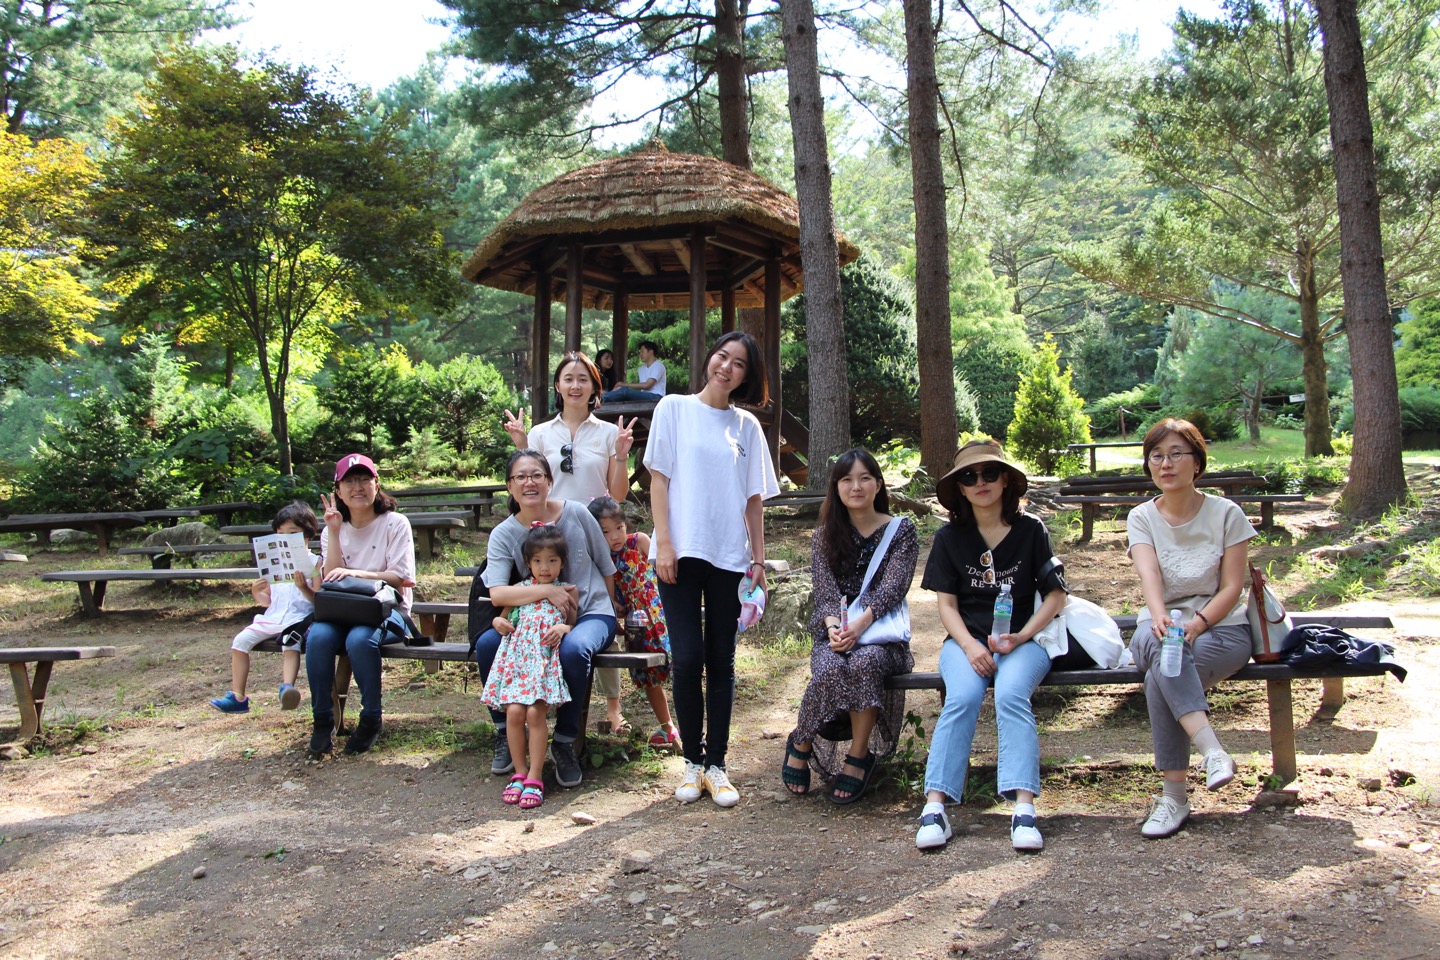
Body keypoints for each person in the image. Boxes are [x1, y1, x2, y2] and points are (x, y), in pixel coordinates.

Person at [645, 330, 778, 807]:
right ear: (710, 358)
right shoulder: (673, 409)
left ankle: (717, 765)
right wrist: (664, 543)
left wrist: (758, 560)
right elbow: (659, 480)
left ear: (747, 376)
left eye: (739, 363)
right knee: (686, 658)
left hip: (730, 559)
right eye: (723, 356)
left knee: (722, 660)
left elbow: (754, 500)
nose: (727, 367)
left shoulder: (747, 427)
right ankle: (692, 764)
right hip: (679, 554)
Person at [914, 439, 1067, 853]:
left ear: (1005, 481)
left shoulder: (1031, 530)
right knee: (961, 698)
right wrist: (970, 647)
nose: (980, 482)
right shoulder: (949, 538)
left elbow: (1056, 595)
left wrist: (1022, 636)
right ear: (960, 489)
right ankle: (934, 807)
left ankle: (1024, 809)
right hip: (966, 641)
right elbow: (946, 606)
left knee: (1011, 695)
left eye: (989, 473)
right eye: (969, 476)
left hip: (1023, 641)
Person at [1127, 418, 1254, 839]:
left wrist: (1197, 624)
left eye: (1176, 454)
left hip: (1221, 628)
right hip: (1158, 626)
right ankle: (1212, 751)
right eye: (1157, 456)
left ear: (1197, 462)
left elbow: (1233, 586)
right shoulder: (1142, 517)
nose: (1166, 464)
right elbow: (1149, 576)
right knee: (1165, 653)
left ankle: (1174, 798)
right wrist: (1159, 616)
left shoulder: (1227, 514)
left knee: (1160, 677)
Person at [502, 351, 635, 735]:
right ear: (558, 386)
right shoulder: (541, 433)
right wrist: (522, 443)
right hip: (547, 540)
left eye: (583, 379)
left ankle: (612, 707)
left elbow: (617, 494)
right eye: (568, 379)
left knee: (596, 610)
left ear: (595, 387)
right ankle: (539, 700)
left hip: (593, 533)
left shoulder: (608, 432)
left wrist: (621, 456)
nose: (575, 385)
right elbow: (528, 482)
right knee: (545, 618)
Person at [472, 449, 620, 789]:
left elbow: (606, 566)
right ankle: (505, 731)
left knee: (573, 649)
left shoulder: (577, 513)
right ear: (509, 486)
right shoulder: (504, 534)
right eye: (521, 477)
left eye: (537, 475)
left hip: (591, 612)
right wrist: (547, 592)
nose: (530, 482)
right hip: (534, 618)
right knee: (487, 644)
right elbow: (498, 594)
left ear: (549, 481)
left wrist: (611, 612)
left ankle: (565, 741)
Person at [782, 448, 918, 804]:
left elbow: (893, 588)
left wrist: (859, 626)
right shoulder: (824, 536)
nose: (855, 487)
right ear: (836, 487)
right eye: (847, 480)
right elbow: (826, 592)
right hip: (836, 633)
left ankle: (858, 756)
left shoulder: (900, 531)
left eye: (864, 478)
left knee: (865, 662)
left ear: (878, 485)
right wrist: (834, 629)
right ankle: (801, 740)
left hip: (881, 635)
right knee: (829, 667)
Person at [305, 454, 417, 759]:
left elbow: (400, 578)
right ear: (338, 491)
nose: (358, 487)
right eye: (350, 481)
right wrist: (334, 532)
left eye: (365, 479)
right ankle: (323, 720)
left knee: (359, 639)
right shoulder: (332, 528)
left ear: (376, 484)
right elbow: (331, 577)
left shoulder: (395, 523)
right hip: (342, 611)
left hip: (386, 610)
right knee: (318, 637)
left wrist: (356, 573)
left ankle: (371, 718)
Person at [483, 524, 575, 810]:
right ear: (528, 563)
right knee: (513, 713)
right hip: (517, 663)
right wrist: (498, 622)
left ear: (562, 562)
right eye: (537, 561)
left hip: (543, 664)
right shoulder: (519, 590)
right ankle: (519, 772)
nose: (545, 567)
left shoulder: (567, 590)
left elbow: (572, 622)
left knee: (535, 713)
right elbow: (502, 616)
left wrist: (563, 628)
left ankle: (536, 775)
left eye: (552, 560)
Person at [209, 501, 320, 714]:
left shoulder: (315, 562)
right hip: (273, 617)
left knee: (290, 641)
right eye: (281, 534)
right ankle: (238, 696)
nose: (286, 539)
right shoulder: (275, 563)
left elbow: (318, 599)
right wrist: (256, 591)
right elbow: (267, 600)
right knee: (240, 641)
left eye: (293, 533)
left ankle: (287, 687)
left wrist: (304, 587)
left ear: (307, 534)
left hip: (299, 619)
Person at [586, 496, 679, 749]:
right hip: (636, 625)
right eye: (605, 532)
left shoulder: (639, 541)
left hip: (660, 615)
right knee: (650, 678)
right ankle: (668, 728)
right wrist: (616, 607)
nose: (615, 536)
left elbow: (662, 571)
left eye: (619, 527)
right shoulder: (602, 560)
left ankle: (690, 725)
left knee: (679, 665)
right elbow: (611, 598)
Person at [602, 339, 666, 403]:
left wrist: (624, 385)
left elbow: (647, 385)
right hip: (645, 395)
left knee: (625, 391)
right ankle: (604, 397)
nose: (640, 354)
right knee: (622, 394)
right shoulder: (641, 369)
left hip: (656, 396)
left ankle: (602, 398)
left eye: (642, 351)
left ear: (651, 352)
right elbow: (641, 386)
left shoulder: (658, 365)